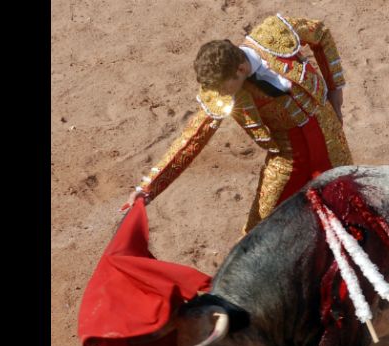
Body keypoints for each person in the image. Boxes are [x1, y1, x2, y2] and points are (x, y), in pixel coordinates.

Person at [123, 13, 352, 234]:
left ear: (240, 69)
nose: (220, 94)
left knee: (350, 208)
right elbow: (194, 136)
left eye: (224, 87)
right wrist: (147, 188)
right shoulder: (224, 89)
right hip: (288, 156)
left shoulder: (274, 32)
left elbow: (320, 33)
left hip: (330, 134)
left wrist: (335, 91)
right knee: (258, 231)